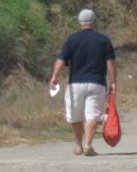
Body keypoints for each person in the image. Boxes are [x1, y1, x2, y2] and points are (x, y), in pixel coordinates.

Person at [48, 9, 117, 157]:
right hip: (97, 83)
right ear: (94, 21)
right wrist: (113, 82)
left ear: (79, 22)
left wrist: (55, 76)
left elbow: (61, 59)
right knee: (92, 115)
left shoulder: (72, 39)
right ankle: (88, 145)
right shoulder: (103, 40)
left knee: (75, 116)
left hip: (76, 84)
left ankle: (78, 145)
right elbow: (110, 62)